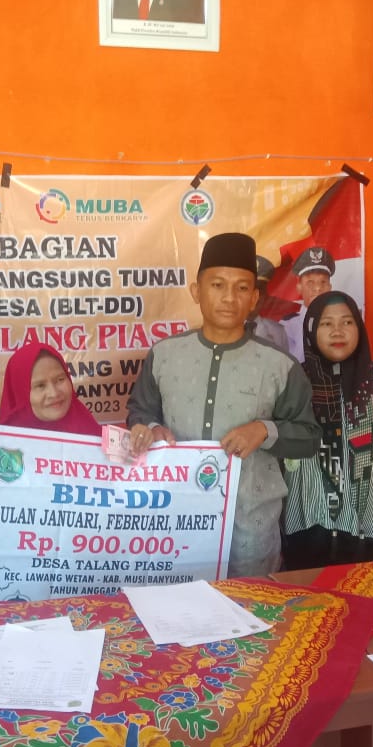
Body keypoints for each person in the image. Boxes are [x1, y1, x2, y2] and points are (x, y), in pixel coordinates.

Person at [127, 232, 320, 576]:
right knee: (177, 607)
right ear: (196, 291)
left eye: (242, 288)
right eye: (217, 285)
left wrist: (264, 431)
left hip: (250, 535)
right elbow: (140, 411)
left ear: (255, 298)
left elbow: (308, 436)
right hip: (174, 528)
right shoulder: (164, 356)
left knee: (253, 608)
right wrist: (151, 428)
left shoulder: (280, 366)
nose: (229, 297)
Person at [281, 291, 373, 570]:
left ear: (359, 328)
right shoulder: (292, 385)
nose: (337, 331)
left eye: (347, 322)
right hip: (305, 538)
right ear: (311, 329)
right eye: (326, 323)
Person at [0, 341, 102, 436]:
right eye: (40, 385)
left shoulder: (88, 429)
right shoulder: (3, 440)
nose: (54, 393)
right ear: (21, 394)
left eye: (60, 379)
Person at [283, 246, 335, 362]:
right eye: (310, 282)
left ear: (330, 287)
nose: (317, 288)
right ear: (299, 288)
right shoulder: (287, 326)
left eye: (323, 282)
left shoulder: (341, 323)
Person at [246, 255, 289, 353]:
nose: (255, 297)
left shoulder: (278, 332)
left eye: (260, 290)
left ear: (265, 296)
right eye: (249, 289)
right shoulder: (221, 328)